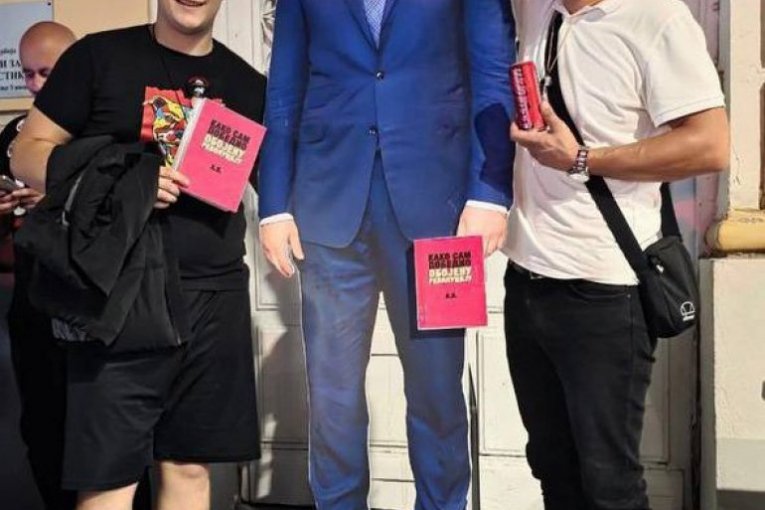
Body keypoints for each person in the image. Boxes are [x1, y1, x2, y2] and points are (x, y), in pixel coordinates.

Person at [259, 1, 515, 508]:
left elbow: (492, 73)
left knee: (438, 391)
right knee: (332, 395)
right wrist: (273, 206)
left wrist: (490, 192)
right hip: (327, 204)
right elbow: (283, 87)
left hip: (439, 210)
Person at [11, 1, 264, 509]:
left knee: (189, 467)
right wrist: (122, 181)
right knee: (109, 480)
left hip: (215, 295)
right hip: (118, 296)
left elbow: (278, 182)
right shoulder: (98, 58)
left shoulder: (249, 85)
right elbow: (27, 152)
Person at [504, 0, 729, 509]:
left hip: (605, 294)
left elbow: (710, 145)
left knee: (610, 484)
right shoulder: (538, 9)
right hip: (526, 282)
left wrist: (582, 159)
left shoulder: (657, 19)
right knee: (554, 471)